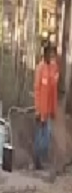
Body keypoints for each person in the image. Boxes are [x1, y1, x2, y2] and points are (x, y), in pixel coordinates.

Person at [34, 42, 58, 170]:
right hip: (41, 109)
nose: (51, 56)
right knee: (40, 134)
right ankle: (37, 160)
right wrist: (38, 110)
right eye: (50, 53)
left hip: (48, 110)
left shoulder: (53, 69)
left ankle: (42, 158)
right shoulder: (40, 68)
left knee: (47, 135)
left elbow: (53, 91)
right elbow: (37, 90)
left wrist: (53, 110)